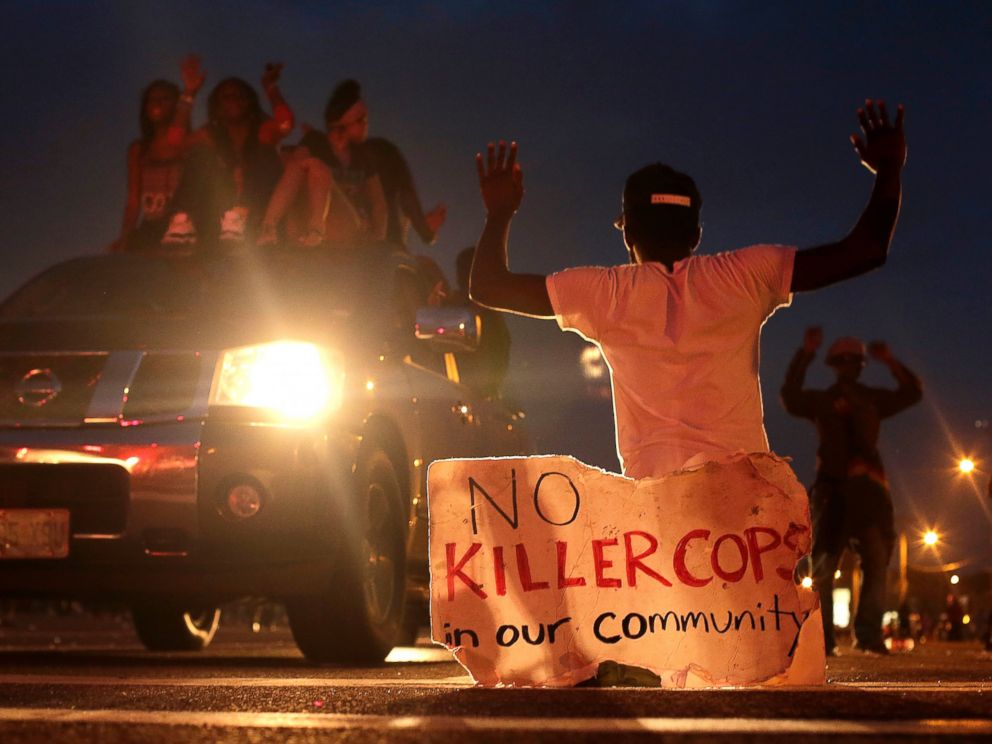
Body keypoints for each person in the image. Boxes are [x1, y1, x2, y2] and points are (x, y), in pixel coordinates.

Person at [469, 100, 906, 684]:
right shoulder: (746, 275)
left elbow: (488, 285)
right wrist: (891, 173)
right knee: (741, 671)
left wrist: (500, 213)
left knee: (654, 665)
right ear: (698, 231)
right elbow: (866, 249)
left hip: (654, 527)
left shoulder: (604, 293)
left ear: (627, 232)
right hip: (744, 518)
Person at [781, 329, 922, 655]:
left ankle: (866, 635)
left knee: (871, 561)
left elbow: (912, 392)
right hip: (835, 491)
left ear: (858, 366)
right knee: (826, 567)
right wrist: (805, 353)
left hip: (866, 494)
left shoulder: (863, 399)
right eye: (844, 362)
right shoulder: (825, 401)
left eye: (852, 362)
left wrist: (889, 361)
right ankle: (826, 637)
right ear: (837, 366)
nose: (848, 368)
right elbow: (790, 396)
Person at [163, 63, 294, 248]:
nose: (234, 101)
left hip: (259, 209)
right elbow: (175, 143)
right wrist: (189, 94)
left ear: (249, 101)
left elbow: (286, 124)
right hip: (219, 211)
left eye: (240, 96)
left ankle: (242, 215)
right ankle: (183, 221)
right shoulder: (211, 134)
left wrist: (270, 87)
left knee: (266, 152)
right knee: (200, 154)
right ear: (217, 104)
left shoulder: (262, 130)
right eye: (226, 97)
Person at [258, 79, 385, 247]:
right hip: (310, 213)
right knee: (303, 165)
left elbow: (379, 203)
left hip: (349, 223)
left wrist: (378, 242)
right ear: (342, 123)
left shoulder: (363, 155)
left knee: (315, 166)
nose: (365, 125)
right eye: (361, 120)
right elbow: (296, 167)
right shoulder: (316, 141)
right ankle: (269, 228)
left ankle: (315, 231)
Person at [113, 55, 205, 252]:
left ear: (175, 103)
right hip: (152, 227)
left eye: (165, 99)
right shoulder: (139, 150)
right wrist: (126, 236)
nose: (157, 104)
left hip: (184, 226)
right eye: (152, 99)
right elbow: (133, 200)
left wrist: (188, 93)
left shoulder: (190, 144)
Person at [447, 247, 510, 398]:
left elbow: (500, 350)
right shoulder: (452, 306)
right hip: (456, 390)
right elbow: (502, 350)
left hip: (470, 394)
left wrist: (488, 389)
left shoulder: (487, 312)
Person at [364, 137, 447, 249]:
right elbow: (407, 197)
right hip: (387, 248)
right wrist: (426, 231)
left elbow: (407, 198)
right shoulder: (383, 151)